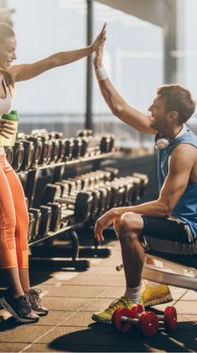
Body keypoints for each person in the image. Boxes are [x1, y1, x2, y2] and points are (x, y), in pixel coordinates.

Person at [0, 21, 106, 324]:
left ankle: (25, 292)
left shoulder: (6, 76)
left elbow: (51, 61)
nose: (14, 55)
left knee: (23, 221)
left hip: (1, 159)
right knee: (6, 223)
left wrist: (90, 49)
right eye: (9, 49)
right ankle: (13, 295)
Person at [92, 31, 197, 324]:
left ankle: (132, 298)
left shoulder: (184, 150)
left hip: (190, 234)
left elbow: (164, 208)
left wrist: (116, 210)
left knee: (128, 222)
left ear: (172, 115)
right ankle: (157, 288)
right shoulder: (164, 133)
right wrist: (99, 67)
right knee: (131, 219)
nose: (149, 109)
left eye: (155, 106)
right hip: (174, 226)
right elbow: (120, 109)